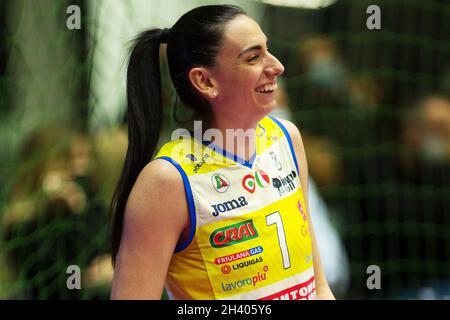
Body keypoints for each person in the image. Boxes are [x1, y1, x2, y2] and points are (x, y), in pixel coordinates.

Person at [110, 5, 335, 300]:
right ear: (205, 81)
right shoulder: (168, 180)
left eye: (268, 50)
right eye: (253, 57)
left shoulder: (286, 138)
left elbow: (318, 285)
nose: (277, 66)